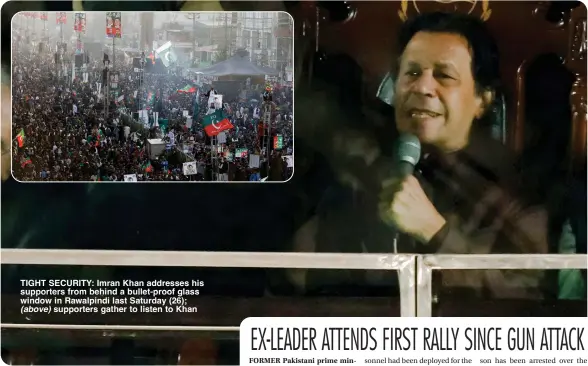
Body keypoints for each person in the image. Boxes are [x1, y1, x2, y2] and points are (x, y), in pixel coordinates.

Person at [290, 12, 548, 299]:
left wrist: (434, 230)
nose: (423, 88)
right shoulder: (357, 164)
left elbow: (526, 300)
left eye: (444, 75)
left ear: (482, 100)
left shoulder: (516, 197)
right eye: (412, 73)